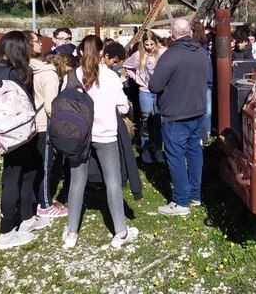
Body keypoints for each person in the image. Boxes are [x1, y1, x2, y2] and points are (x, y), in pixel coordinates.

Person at [0, 31, 50, 250]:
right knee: (14, 178)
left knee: (27, 171)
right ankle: (6, 232)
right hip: (18, 132)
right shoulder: (11, 73)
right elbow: (24, 104)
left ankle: (27, 219)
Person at [62, 35, 138, 249]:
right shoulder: (111, 76)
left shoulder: (72, 75)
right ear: (102, 52)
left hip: (79, 136)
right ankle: (120, 232)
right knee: (112, 183)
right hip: (105, 134)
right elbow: (123, 107)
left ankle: (71, 232)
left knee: (77, 182)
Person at [149, 19, 210, 216]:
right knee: (194, 153)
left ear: (172, 33)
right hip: (197, 110)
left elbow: (154, 86)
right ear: (190, 32)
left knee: (175, 157)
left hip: (176, 113)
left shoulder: (171, 55)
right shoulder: (202, 52)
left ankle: (181, 202)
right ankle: (195, 195)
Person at [23, 31, 68, 218]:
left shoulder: (25, 68)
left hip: (27, 123)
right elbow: (51, 107)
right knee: (46, 165)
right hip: (43, 123)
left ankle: (34, 198)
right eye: (37, 41)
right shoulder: (47, 73)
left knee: (32, 165)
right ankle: (45, 203)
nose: (41, 44)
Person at [122, 31, 166, 164]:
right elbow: (126, 66)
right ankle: (145, 149)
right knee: (145, 121)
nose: (149, 47)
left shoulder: (163, 52)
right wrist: (136, 78)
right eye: (146, 44)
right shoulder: (138, 55)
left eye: (152, 44)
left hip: (159, 91)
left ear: (156, 42)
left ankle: (158, 149)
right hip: (145, 91)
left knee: (159, 120)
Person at [191, 21, 213, 144]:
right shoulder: (201, 48)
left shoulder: (204, 47)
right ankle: (203, 134)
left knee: (206, 110)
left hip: (205, 82)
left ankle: (206, 133)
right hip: (201, 81)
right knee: (204, 110)